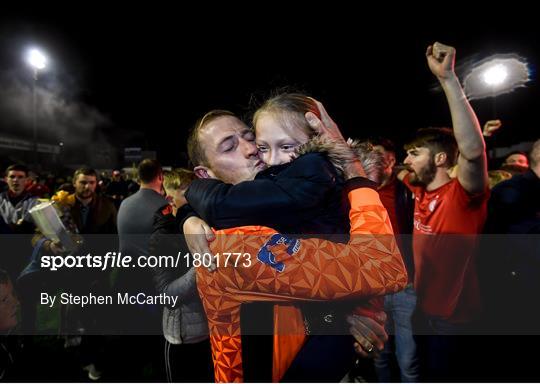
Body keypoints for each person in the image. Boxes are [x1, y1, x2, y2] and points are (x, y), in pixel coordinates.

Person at [183, 97, 405, 382]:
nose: (252, 150)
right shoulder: (233, 242)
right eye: (230, 146)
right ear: (207, 175)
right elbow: (383, 267)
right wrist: (355, 174)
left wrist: (186, 214)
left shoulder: (275, 213)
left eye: (252, 138)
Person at [396, 42, 489, 380]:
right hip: (422, 309)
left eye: (414, 153)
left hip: (454, 320)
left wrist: (449, 79)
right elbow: (390, 173)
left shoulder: (462, 197)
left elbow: (474, 153)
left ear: (439, 159)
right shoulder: (417, 191)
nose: (407, 160)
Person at [149, 169, 213, 383]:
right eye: (188, 195)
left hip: (216, 332)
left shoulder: (206, 220)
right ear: (169, 199)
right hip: (185, 336)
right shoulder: (162, 237)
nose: (196, 200)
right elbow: (167, 295)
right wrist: (202, 263)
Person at [370, 138, 418, 383]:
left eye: (381, 157)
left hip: (405, 288)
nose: (374, 161)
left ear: (391, 161)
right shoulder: (359, 193)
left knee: (408, 359)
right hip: (373, 290)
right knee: (380, 356)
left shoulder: (406, 191)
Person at [115, 159, 168, 381]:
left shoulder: (125, 203)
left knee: (130, 332)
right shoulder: (163, 206)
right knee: (154, 333)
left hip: (126, 275)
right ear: (160, 177)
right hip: (150, 279)